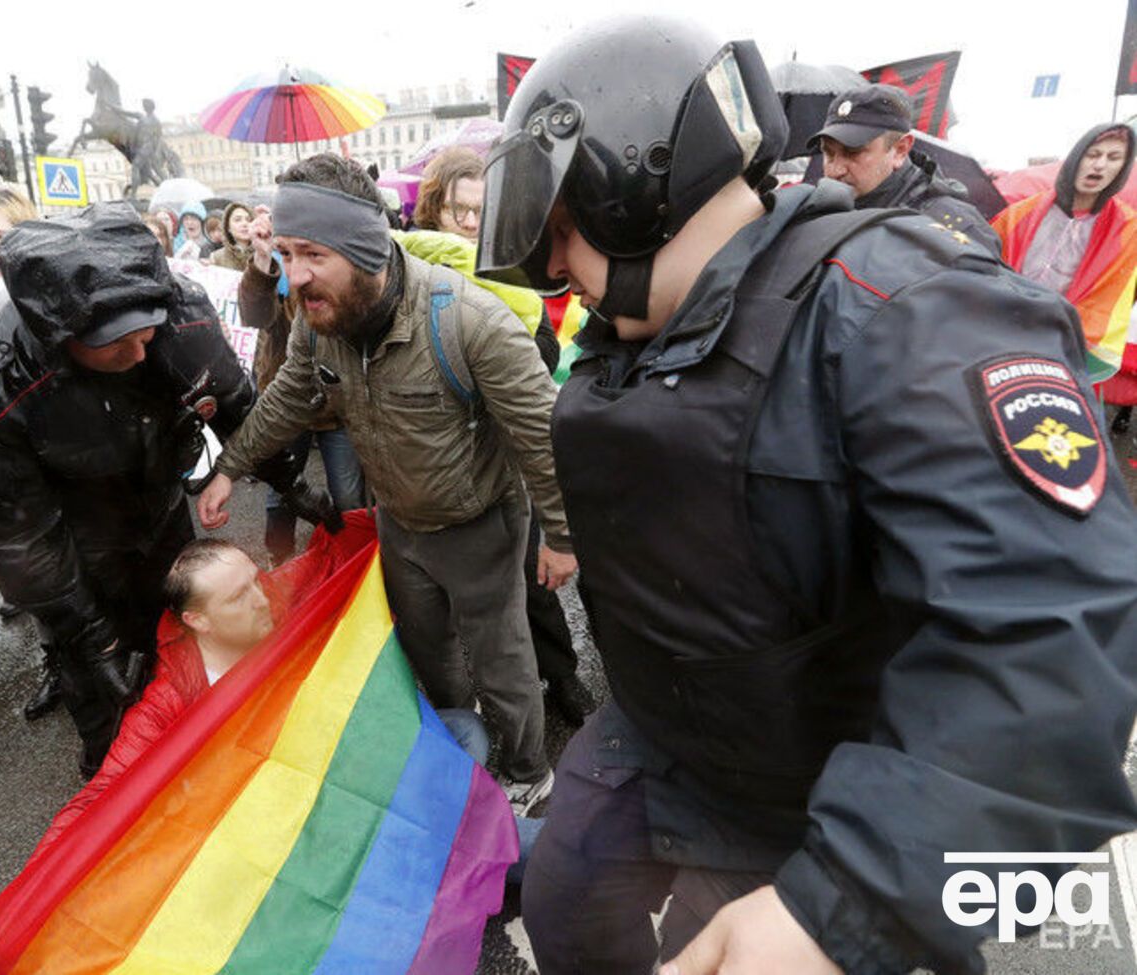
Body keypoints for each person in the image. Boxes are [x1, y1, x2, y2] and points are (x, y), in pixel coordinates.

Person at [476, 17, 1137, 975]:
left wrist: (847, 910)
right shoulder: (635, 332)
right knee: (568, 902)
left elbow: (1056, 650)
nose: (552, 269)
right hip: (669, 730)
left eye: (563, 231)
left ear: (627, 190)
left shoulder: (909, 313)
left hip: (828, 773)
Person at [0, 527, 542, 975]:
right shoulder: (169, 699)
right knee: (483, 820)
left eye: (256, 581)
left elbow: (341, 560)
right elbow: (100, 800)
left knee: (462, 732)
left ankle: (437, 856)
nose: (262, 598)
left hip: (345, 780)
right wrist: (0, 923)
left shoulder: (284, 607)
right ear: (198, 623)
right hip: (282, 834)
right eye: (237, 597)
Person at [198, 153, 576, 814]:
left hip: (482, 524)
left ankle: (525, 771)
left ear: (364, 248)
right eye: (286, 253)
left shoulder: (470, 322)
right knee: (429, 653)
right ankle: (463, 748)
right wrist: (229, 467)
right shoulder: (322, 326)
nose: (296, 276)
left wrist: (563, 537)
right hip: (401, 526)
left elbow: (544, 436)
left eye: (313, 252)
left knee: (504, 661)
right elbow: (289, 397)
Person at [0, 202, 335, 778]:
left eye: (146, 332)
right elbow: (17, 536)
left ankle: (193, 747)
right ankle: (111, 772)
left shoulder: (184, 316)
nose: (140, 353)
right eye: (114, 343)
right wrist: (90, 636)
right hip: (72, 532)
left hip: (158, 497)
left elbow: (234, 407)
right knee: (101, 677)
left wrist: (292, 483)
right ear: (60, 336)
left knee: (177, 632)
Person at [413, 147, 593, 725]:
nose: (468, 224)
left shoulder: (512, 269)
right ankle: (482, 693)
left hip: (507, 453)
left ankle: (561, 676)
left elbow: (542, 354)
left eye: (477, 212)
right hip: (444, 459)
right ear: (433, 209)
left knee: (531, 578)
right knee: (456, 590)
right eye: (456, 211)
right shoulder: (418, 274)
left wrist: (498, 341)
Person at [236, 206, 367, 563]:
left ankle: (350, 563)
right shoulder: (273, 267)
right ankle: (280, 562)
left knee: (349, 495)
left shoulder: (333, 265)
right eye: (287, 249)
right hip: (286, 400)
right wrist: (263, 259)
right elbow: (254, 315)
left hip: (335, 403)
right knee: (282, 493)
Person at [994, 124, 1137, 389]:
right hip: (1002, 332)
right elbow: (987, 270)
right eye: (1093, 154)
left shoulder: (1128, 231)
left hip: (1062, 347)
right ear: (1076, 158)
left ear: (1123, 168)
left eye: (1113, 158)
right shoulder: (1020, 213)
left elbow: (1112, 301)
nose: (1100, 165)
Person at [810, 84, 1000, 256]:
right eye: (828, 153)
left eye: (853, 152)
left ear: (900, 150)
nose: (835, 170)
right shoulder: (818, 211)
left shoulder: (956, 230)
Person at [210, 202, 253, 271]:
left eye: (249, 220)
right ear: (228, 227)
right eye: (238, 220)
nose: (245, 224)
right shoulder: (216, 257)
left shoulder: (263, 254)